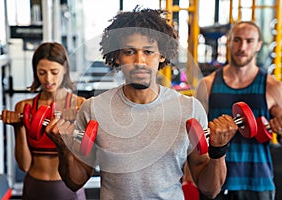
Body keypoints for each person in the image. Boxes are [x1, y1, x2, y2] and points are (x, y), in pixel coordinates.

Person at [45, 7, 239, 199]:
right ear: (117, 57)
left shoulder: (189, 109)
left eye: (148, 51)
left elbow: (210, 190)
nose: (139, 61)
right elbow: (75, 182)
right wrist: (64, 148)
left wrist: (218, 151)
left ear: (162, 54)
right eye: (129, 51)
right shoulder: (93, 109)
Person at [196, 21, 282, 200]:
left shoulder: (272, 86)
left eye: (249, 41)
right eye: (237, 40)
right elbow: (196, 142)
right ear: (229, 41)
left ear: (258, 45)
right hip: (216, 182)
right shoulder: (207, 85)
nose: (242, 47)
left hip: (257, 181)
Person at [1, 42, 87, 199]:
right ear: (35, 72)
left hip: (69, 187)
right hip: (35, 186)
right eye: (42, 72)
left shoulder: (80, 105)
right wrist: (18, 127)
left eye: (54, 72)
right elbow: (24, 165)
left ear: (65, 69)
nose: (48, 79)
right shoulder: (24, 107)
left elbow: (85, 157)